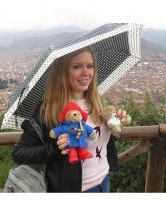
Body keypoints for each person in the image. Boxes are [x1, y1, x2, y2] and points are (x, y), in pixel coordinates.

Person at [12, 47, 129, 192]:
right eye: (77, 67)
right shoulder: (48, 110)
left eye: (90, 66)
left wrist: (116, 124)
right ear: (62, 72)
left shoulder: (97, 101)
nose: (86, 73)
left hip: (104, 182)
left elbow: (99, 138)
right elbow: (19, 154)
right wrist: (55, 147)